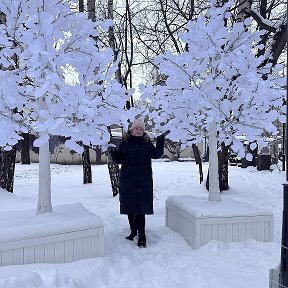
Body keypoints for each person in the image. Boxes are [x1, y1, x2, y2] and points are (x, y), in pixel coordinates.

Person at [109, 119, 169, 248]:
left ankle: (142, 236)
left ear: (143, 131)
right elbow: (119, 159)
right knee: (130, 208)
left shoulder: (146, 143)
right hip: (128, 180)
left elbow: (157, 154)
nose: (138, 131)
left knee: (141, 209)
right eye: (136, 128)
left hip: (143, 180)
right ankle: (133, 232)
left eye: (141, 129)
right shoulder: (125, 143)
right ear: (132, 130)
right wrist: (112, 152)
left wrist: (160, 139)